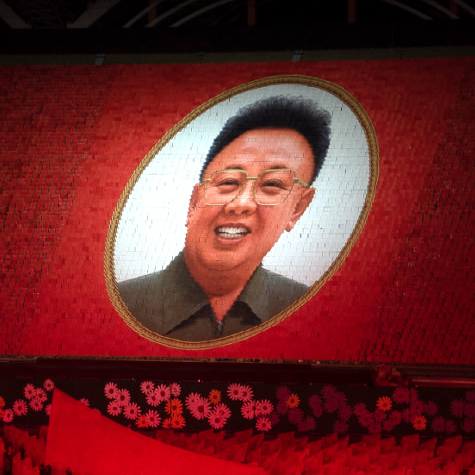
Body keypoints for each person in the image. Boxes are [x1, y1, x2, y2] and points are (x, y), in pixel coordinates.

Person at [116, 96, 331, 341]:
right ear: (194, 202)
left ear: (297, 210)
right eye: (228, 182)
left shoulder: (312, 314)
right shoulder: (122, 304)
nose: (241, 204)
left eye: (272, 185)